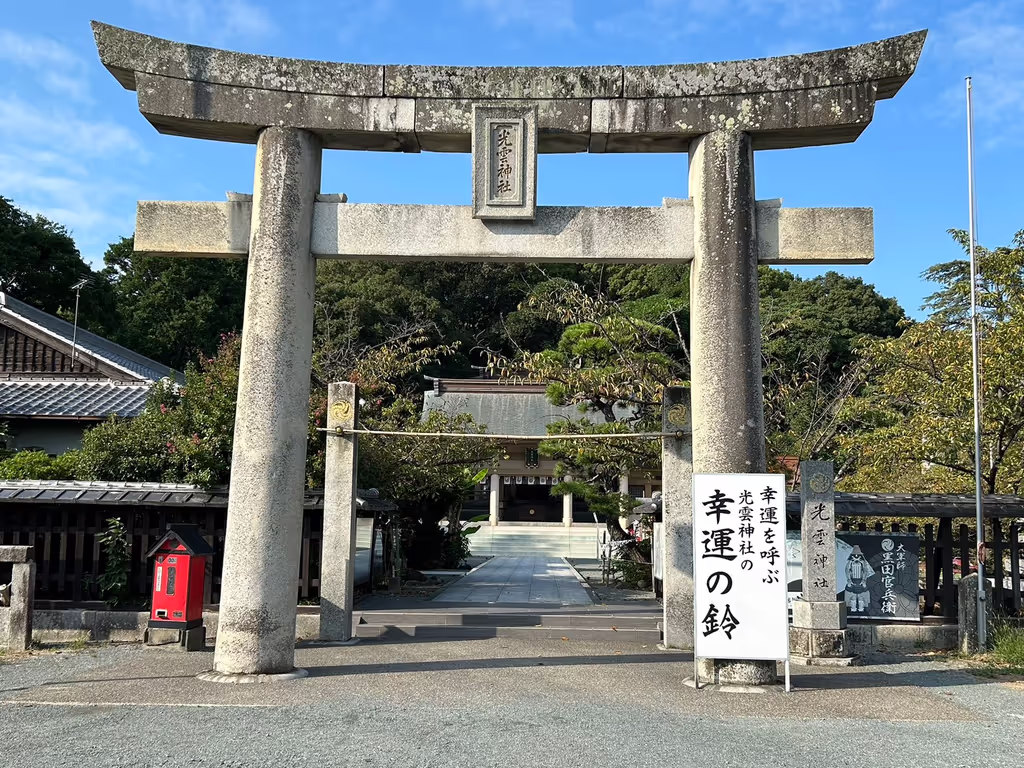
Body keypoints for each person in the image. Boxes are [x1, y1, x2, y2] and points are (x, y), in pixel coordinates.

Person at [844, 545, 875, 614]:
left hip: (860, 581)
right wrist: (849, 580)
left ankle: (861, 608)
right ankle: (853, 608)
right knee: (853, 597)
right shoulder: (850, 562)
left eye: (858, 555)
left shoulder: (862, 562)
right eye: (855, 555)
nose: (856, 557)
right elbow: (847, 571)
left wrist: (864, 581)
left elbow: (865, 571)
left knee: (861, 597)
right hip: (852, 580)